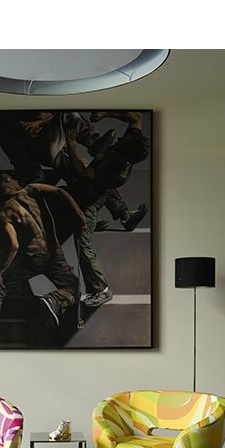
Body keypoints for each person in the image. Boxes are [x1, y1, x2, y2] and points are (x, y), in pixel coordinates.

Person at [0, 173, 85, 347]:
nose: (16, 180)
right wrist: (80, 216)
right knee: (74, 287)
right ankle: (54, 300)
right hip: (54, 253)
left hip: (33, 256)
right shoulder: (32, 189)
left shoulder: (6, 211)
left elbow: (14, 246)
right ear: (9, 182)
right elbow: (61, 192)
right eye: (13, 179)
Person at [63, 111, 151, 308]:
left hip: (90, 199)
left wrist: (71, 144)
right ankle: (126, 216)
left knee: (83, 244)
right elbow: (136, 118)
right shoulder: (132, 139)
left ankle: (101, 289)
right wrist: (106, 114)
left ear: (126, 153)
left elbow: (82, 172)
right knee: (101, 184)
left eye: (121, 142)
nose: (119, 140)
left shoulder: (117, 172)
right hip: (99, 184)